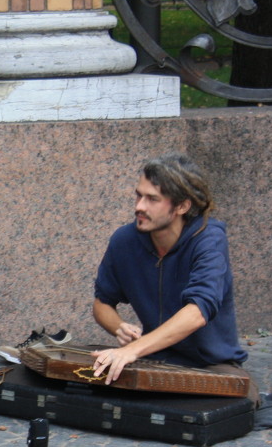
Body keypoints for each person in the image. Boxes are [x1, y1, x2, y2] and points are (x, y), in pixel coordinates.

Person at [91, 153, 248, 384]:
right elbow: (102, 303)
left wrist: (132, 350)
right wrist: (119, 328)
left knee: (226, 406)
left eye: (152, 199)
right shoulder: (124, 240)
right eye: (138, 196)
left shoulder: (208, 239)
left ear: (182, 206)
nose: (139, 206)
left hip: (213, 365)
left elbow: (197, 312)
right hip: (152, 358)